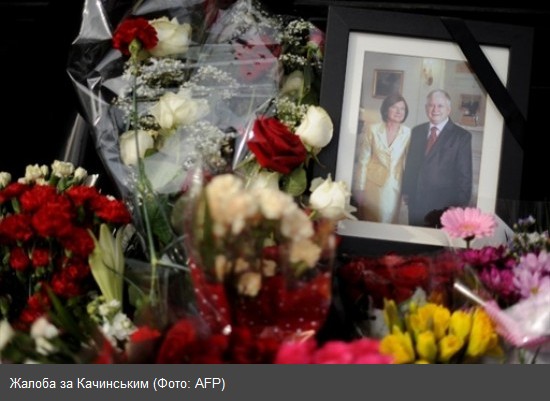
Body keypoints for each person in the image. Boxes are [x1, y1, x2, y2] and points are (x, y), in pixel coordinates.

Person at [402, 89, 473, 227]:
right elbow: (411, 165)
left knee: (437, 241)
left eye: (440, 106)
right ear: (426, 108)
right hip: (416, 202)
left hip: (443, 207)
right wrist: (407, 191)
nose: (435, 110)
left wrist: (458, 207)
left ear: (448, 109)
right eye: (431, 105)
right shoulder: (417, 131)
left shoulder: (461, 137)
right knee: (415, 238)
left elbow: (465, 176)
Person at [354, 93, 411, 223]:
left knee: (388, 223)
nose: (399, 112)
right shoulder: (372, 130)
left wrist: (407, 190)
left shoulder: (408, 133)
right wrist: (360, 188)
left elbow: (409, 164)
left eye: (402, 109)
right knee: (370, 221)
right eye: (394, 107)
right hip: (372, 185)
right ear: (386, 109)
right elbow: (363, 161)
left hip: (395, 186)